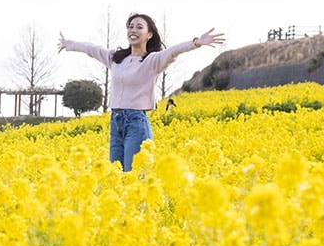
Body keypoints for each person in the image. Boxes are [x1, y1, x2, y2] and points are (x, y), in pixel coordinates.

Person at [58, 14, 224, 171]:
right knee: (115, 175)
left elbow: (173, 51)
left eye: (139, 27)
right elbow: (93, 49)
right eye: (130, 27)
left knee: (134, 175)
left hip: (136, 123)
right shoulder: (116, 58)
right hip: (116, 122)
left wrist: (197, 42)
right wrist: (69, 44)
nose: (133, 30)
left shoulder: (153, 60)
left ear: (149, 35)